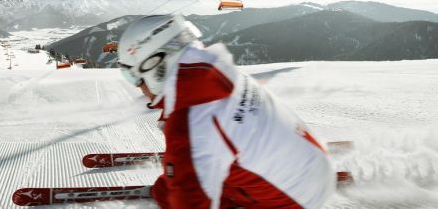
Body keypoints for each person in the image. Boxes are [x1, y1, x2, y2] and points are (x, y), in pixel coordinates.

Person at [117, 15, 335, 209]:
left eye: (133, 76)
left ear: (155, 65)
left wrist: (173, 187)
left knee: (178, 194)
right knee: (192, 175)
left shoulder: (191, 120)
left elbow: (190, 201)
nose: (138, 86)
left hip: (295, 200)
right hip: (315, 165)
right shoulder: (216, 73)